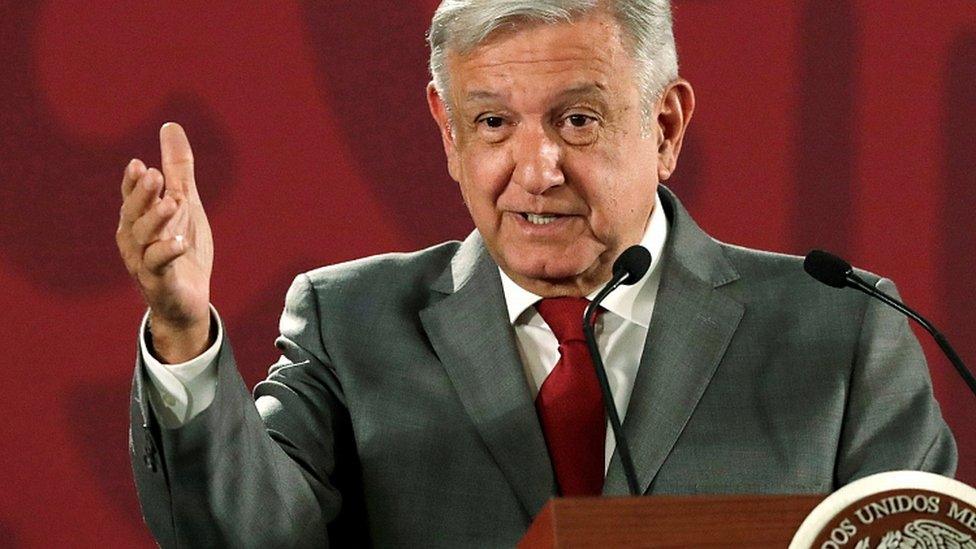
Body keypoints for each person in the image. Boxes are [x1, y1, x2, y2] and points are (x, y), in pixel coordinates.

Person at [116, 1, 956, 547]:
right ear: (448, 133)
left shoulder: (840, 332)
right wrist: (185, 333)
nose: (537, 167)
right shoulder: (350, 321)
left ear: (665, 125)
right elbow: (252, 538)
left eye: (578, 119)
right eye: (492, 122)